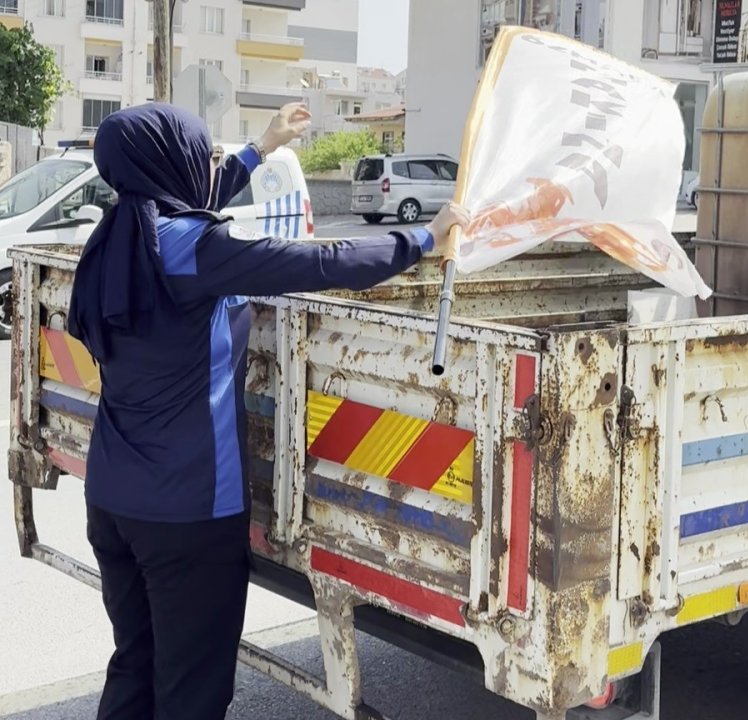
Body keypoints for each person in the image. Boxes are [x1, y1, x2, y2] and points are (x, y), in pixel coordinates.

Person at [67, 102, 470, 720]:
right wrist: (423, 238)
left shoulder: (115, 235)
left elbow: (183, 198)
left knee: (136, 662)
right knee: (190, 693)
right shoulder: (197, 251)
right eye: (203, 153)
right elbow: (321, 262)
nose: (209, 163)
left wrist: (263, 146)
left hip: (113, 502)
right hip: (187, 514)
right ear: (169, 162)